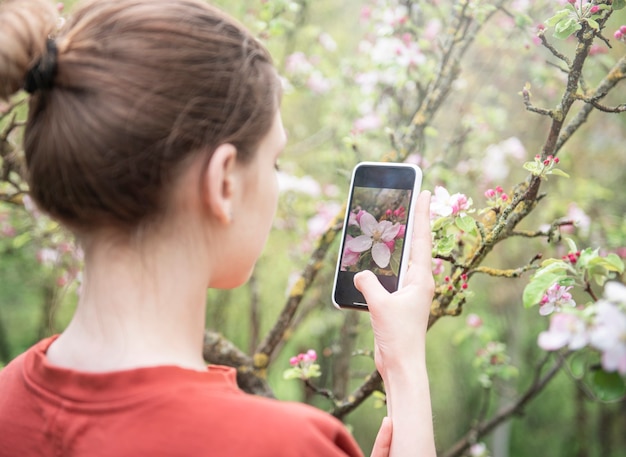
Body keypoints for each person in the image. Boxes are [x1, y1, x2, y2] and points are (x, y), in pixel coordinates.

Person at [0, 0, 436, 455]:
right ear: (223, 181)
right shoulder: (286, 445)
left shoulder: (8, 397)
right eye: (274, 161)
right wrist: (403, 365)